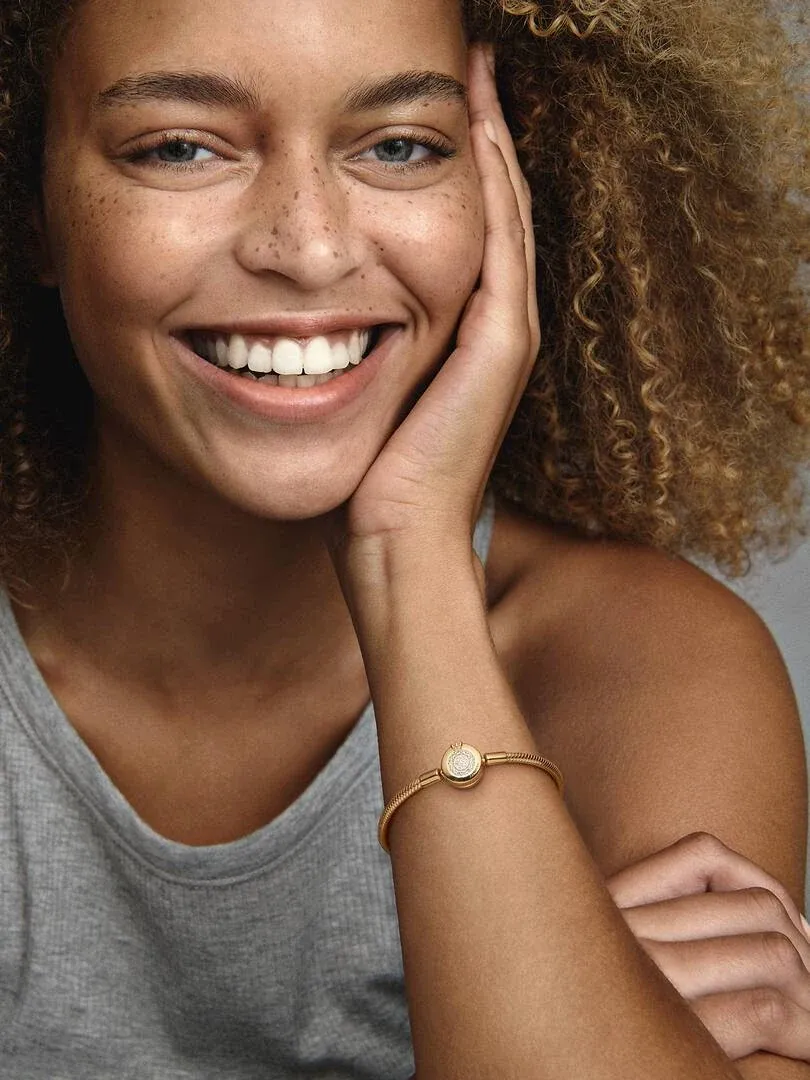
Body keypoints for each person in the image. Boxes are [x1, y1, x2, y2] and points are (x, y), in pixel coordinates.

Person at [0, 0, 808, 1076]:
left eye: (398, 147)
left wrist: (409, 554)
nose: (310, 245)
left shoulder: (646, 664)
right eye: (181, 147)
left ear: (503, 189)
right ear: (32, 211)